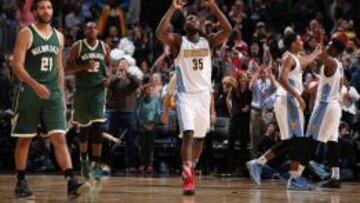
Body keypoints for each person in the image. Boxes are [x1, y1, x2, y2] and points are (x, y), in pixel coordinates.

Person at [11, 0, 89, 199]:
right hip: (29, 91)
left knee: (59, 137)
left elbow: (59, 68)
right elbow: (17, 66)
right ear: (35, 11)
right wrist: (35, 85)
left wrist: (62, 95)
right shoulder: (26, 33)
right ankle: (20, 181)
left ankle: (71, 181)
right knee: (25, 139)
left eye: (49, 7)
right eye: (42, 8)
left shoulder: (59, 36)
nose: (46, 11)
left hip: (53, 92)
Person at [156, 0, 231, 195]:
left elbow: (228, 29)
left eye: (195, 18)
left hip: (204, 96)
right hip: (186, 96)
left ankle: (192, 166)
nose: (192, 19)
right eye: (189, 18)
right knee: (188, 134)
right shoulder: (179, 42)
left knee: (199, 138)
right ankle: (188, 175)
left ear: (200, 25)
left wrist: (214, 7)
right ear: (185, 25)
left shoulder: (209, 42)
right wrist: (172, 8)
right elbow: (159, 33)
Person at [247, 31, 322, 190]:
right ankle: (294, 179)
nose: (302, 41)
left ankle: (258, 163)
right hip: (289, 101)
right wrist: (298, 96)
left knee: (290, 142)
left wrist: (317, 50)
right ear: (293, 43)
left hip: (287, 101)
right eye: (299, 39)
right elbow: (281, 78)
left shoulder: (293, 57)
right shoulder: (289, 57)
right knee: (298, 140)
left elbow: (306, 60)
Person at [65, 21, 111, 181]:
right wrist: (84, 67)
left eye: (94, 27)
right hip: (82, 91)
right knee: (84, 129)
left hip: (98, 91)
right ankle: (83, 160)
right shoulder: (78, 46)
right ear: (84, 31)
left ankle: (96, 163)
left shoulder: (105, 46)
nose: (91, 29)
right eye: (88, 27)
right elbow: (67, 68)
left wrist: (108, 79)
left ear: (98, 30)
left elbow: (109, 66)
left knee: (98, 127)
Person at [305, 38, 346, 188]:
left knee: (310, 140)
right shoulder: (339, 65)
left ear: (335, 49)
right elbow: (341, 84)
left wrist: (318, 46)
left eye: (330, 45)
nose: (328, 47)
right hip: (335, 106)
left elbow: (322, 57)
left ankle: (298, 176)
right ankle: (336, 177)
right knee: (332, 142)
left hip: (325, 107)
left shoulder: (332, 62)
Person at [226, 72, 252, 174]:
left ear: (247, 79)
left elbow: (249, 105)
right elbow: (227, 99)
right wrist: (231, 110)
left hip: (244, 119)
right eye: (240, 78)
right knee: (231, 142)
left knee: (243, 144)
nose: (242, 80)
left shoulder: (249, 91)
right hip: (235, 117)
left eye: (244, 78)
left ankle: (241, 168)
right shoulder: (234, 89)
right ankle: (229, 168)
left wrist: (248, 107)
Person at [136, 84, 161, 174]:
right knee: (142, 147)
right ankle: (142, 164)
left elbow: (158, 113)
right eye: (147, 90)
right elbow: (137, 114)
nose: (148, 92)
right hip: (143, 126)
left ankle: (150, 165)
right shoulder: (141, 101)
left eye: (150, 90)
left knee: (150, 147)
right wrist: (143, 125)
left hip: (152, 125)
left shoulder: (155, 101)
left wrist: (153, 124)